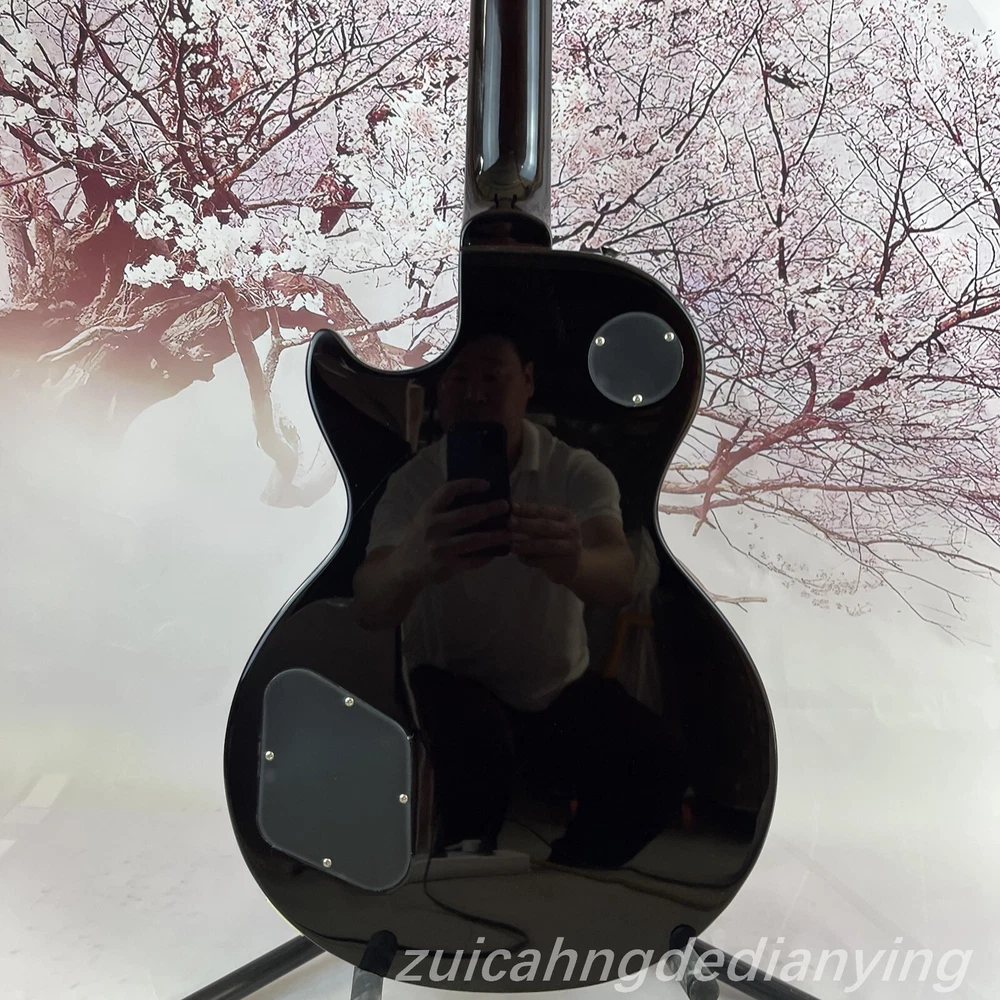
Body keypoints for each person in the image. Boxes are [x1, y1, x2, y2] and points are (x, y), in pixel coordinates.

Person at [351, 324, 688, 867]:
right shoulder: (414, 483)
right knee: (475, 743)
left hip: (554, 688)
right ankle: (463, 866)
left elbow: (621, 576)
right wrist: (410, 562)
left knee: (657, 761)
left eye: (493, 377)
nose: (475, 393)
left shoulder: (574, 470)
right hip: (449, 683)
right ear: (440, 392)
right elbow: (369, 604)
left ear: (528, 381)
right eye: (458, 378)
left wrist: (575, 562)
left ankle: (570, 873)